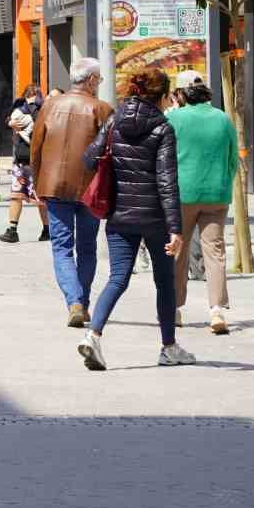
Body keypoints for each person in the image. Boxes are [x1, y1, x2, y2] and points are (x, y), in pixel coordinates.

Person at [76, 69, 193, 370]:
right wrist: (176, 229)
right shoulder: (163, 128)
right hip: (154, 219)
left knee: (118, 278)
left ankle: (94, 335)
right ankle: (168, 347)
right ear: (161, 96)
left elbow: (89, 159)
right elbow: (167, 181)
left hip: (119, 215)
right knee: (164, 282)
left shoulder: (115, 120)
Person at [29, 57, 113, 328]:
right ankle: (82, 301)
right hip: (90, 189)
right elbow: (111, 153)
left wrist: (36, 179)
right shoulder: (102, 109)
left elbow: (36, 146)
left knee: (62, 247)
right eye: (98, 79)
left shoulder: (50, 105)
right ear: (90, 80)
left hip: (53, 186)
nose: (99, 84)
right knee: (87, 247)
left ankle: (74, 302)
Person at [166, 73, 239, 335]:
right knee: (215, 251)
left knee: (177, 250)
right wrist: (224, 182)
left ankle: (173, 308)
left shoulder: (173, 118)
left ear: (181, 94)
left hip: (183, 194)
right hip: (216, 193)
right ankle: (216, 310)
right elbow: (233, 158)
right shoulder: (223, 118)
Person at [0, 84, 49, 243]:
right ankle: (45, 230)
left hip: (27, 160)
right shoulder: (39, 108)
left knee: (23, 196)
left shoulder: (32, 108)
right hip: (33, 159)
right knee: (32, 197)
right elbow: (8, 119)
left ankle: (15, 230)